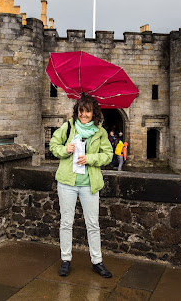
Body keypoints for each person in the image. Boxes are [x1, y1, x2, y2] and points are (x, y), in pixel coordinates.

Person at [49, 95, 113, 278]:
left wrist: (90, 159)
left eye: (87, 111)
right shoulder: (68, 127)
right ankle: (65, 259)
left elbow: (108, 155)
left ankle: (97, 262)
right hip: (67, 183)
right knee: (66, 222)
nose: (84, 115)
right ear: (77, 112)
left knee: (93, 224)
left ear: (94, 113)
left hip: (89, 185)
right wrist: (65, 150)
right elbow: (53, 145)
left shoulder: (99, 132)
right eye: (81, 111)